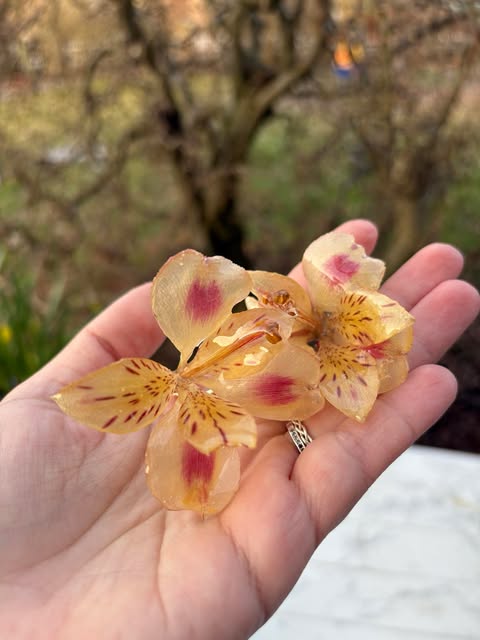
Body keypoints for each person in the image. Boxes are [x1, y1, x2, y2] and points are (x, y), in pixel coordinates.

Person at [0, 219, 478, 639]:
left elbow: (304, 383)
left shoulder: (278, 356)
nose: (266, 328)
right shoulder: (215, 394)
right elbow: (287, 380)